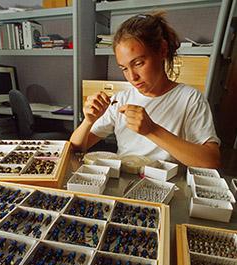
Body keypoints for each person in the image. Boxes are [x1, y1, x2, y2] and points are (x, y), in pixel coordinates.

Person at [70, 11, 221, 168]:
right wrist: (88, 121)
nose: (132, 77)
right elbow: (75, 148)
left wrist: (152, 130)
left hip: (169, 185)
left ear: (162, 50)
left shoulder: (190, 99)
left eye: (138, 63)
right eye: (124, 68)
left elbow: (211, 161)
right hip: (125, 182)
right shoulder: (121, 100)